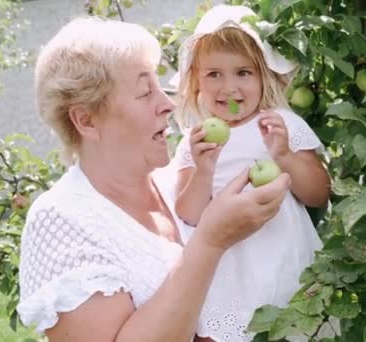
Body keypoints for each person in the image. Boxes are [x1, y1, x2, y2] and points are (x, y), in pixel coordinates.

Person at [16, 16, 291, 342]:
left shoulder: (177, 181)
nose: (168, 104)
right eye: (146, 93)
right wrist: (211, 241)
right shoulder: (61, 219)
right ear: (86, 120)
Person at [171, 5, 331, 341]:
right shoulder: (196, 140)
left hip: (284, 261)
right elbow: (188, 215)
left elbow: (318, 193)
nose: (228, 87)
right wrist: (203, 169)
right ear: (196, 82)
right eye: (214, 74)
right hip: (226, 273)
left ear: (263, 76)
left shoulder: (280, 124)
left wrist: (284, 155)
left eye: (243, 72)